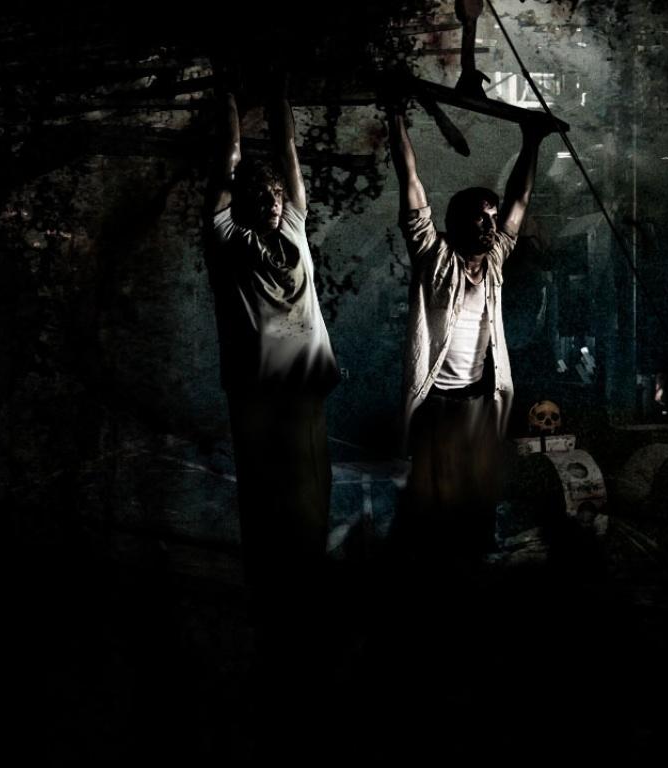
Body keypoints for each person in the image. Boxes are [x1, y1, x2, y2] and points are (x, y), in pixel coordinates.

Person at [202, 66, 339, 753]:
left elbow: (286, 156)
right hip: (260, 393)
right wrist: (230, 100)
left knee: (308, 495)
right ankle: (271, 610)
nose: (271, 196)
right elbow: (229, 164)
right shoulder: (226, 238)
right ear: (244, 200)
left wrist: (281, 96)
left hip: (301, 387)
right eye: (259, 192)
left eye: (276, 192)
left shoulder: (295, 231)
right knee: (265, 500)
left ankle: (301, 604)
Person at [382, 75, 555, 570]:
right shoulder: (433, 255)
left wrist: (531, 140)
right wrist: (395, 116)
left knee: (478, 494)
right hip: (438, 400)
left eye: (491, 217)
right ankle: (427, 570)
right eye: (479, 217)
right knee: (434, 496)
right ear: (456, 221)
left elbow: (519, 201)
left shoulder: (495, 260)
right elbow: (410, 182)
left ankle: (471, 569)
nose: (489, 224)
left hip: (480, 398)